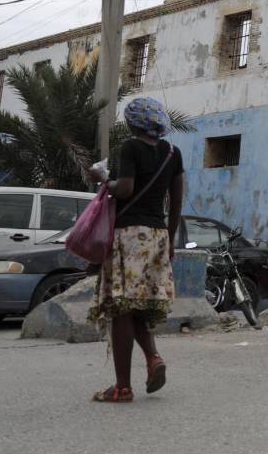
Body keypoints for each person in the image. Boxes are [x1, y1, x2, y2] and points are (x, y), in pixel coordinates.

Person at [87, 97, 184, 402]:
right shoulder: (173, 152)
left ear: (132, 123)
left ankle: (122, 387)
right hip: (157, 235)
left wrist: (103, 179)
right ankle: (153, 357)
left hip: (129, 235)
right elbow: (177, 198)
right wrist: (170, 238)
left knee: (121, 308)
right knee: (138, 306)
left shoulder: (130, 148)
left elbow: (125, 188)